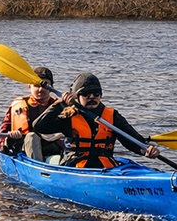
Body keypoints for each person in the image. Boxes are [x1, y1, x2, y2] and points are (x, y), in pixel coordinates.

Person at [30, 72, 160, 168]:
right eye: (86, 94)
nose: (92, 97)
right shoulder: (68, 115)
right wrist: (60, 104)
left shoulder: (112, 116)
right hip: (75, 166)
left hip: (106, 167)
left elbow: (131, 139)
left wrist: (145, 150)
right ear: (77, 96)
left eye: (96, 93)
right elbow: (39, 127)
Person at [0, 65, 64, 160]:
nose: (41, 89)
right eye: (36, 85)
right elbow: (2, 133)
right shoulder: (18, 105)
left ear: (51, 87)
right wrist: (10, 137)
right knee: (31, 136)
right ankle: (38, 168)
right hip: (24, 147)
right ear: (29, 86)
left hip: (52, 147)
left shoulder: (59, 106)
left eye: (45, 85)